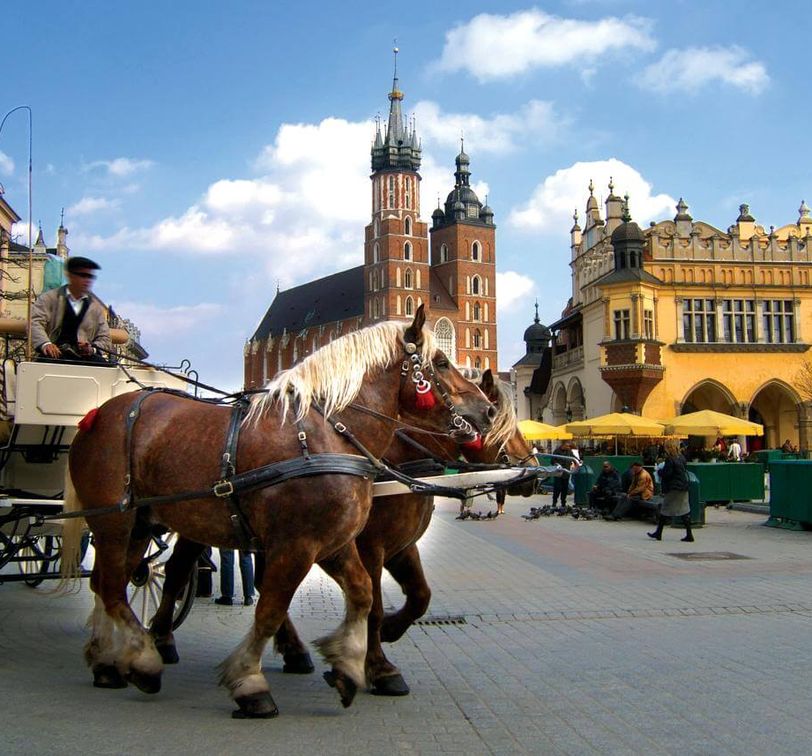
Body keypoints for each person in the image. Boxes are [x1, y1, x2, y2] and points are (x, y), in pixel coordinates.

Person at [29, 256, 111, 362]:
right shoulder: (49, 298)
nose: (87, 280)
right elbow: (34, 323)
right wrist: (46, 344)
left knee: (107, 369)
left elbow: (105, 338)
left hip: (85, 357)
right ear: (70, 276)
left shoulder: (95, 308)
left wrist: (92, 349)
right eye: (83, 275)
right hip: (54, 353)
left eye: (90, 276)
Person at [648, 440, 693, 542]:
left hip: (673, 487)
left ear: (668, 448)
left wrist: (659, 471)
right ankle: (689, 534)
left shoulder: (670, 459)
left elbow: (667, 474)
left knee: (665, 509)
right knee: (684, 510)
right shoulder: (681, 457)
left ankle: (658, 533)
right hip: (683, 486)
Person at [551, 441, 578, 507]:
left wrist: (578, 461)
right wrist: (557, 464)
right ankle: (554, 502)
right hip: (559, 473)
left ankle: (563, 503)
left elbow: (574, 458)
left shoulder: (569, 451)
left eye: (569, 446)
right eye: (567, 446)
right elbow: (552, 461)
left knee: (565, 489)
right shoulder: (557, 451)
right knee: (557, 488)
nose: (568, 447)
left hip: (566, 473)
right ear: (563, 445)